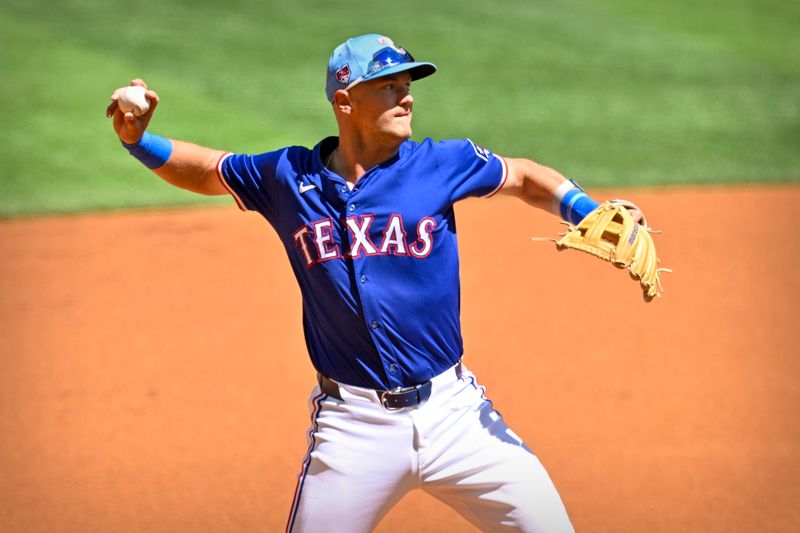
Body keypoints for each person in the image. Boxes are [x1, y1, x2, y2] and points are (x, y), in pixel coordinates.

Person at [107, 33, 600, 533]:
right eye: (387, 86)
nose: (406, 96)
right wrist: (137, 140)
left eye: (407, 85)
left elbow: (521, 176)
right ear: (345, 100)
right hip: (352, 430)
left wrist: (586, 208)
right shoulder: (286, 176)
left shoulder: (439, 163)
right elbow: (209, 170)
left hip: (456, 416)